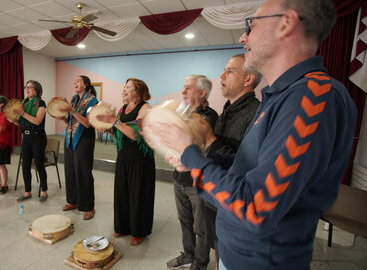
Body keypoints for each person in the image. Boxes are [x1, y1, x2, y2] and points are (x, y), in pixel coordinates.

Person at [152, 0, 357, 269]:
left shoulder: (310, 97)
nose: (242, 36)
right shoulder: (280, 96)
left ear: (286, 24)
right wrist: (200, 157)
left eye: (251, 25)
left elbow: (256, 209)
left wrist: (193, 156)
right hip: (235, 252)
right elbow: (248, 167)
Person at [199, 53, 262, 269]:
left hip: (233, 207)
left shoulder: (256, 114)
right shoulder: (227, 110)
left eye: (230, 71)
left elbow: (246, 167)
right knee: (218, 252)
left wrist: (210, 140)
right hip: (215, 199)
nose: (221, 75)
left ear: (248, 79)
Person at [167, 75, 218, 270]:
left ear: (202, 93)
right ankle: (188, 254)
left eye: (188, 88)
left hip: (197, 182)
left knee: (201, 227)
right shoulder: (183, 112)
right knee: (184, 220)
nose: (183, 92)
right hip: (179, 177)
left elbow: (194, 143)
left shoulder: (209, 117)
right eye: (184, 87)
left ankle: (200, 262)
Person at [96, 78, 155, 246]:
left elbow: (137, 135)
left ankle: (139, 231)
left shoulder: (145, 108)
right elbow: (120, 134)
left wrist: (114, 122)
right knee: (122, 194)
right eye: (124, 87)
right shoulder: (122, 109)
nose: (124, 89)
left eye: (128, 87)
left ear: (139, 91)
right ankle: (122, 226)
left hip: (140, 159)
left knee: (138, 196)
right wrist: (108, 129)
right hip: (123, 157)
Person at [57, 75, 98, 220]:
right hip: (70, 139)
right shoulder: (74, 99)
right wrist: (61, 116)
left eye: (78, 81)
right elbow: (70, 120)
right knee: (70, 171)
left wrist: (72, 111)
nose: (75, 82)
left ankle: (88, 207)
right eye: (74, 81)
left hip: (84, 139)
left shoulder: (92, 100)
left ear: (85, 84)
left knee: (83, 172)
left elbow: (87, 123)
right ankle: (73, 201)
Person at [13, 80, 48, 203]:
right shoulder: (23, 102)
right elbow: (21, 122)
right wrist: (13, 120)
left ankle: (44, 191)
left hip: (38, 138)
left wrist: (22, 113)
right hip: (26, 138)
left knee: (39, 165)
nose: (26, 89)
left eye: (29, 87)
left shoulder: (41, 103)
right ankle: (27, 191)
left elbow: (37, 121)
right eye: (26, 87)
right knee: (26, 165)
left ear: (36, 90)